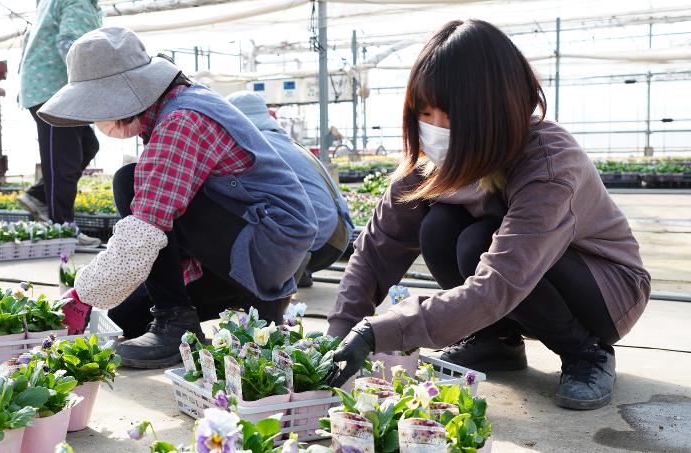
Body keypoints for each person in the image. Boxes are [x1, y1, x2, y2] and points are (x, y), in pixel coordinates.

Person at [326, 19, 650, 411]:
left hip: (604, 289)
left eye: (448, 114)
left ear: (492, 110)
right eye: (425, 113)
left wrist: (382, 331)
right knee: (439, 228)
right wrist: (340, 335)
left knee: (478, 243)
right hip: (517, 281)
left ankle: (585, 352)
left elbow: (501, 280)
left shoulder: (548, 162)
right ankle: (495, 341)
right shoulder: (432, 163)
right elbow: (378, 248)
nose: (435, 129)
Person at [37, 27, 317, 368]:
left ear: (122, 94)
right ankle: (224, 309)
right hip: (250, 239)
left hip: (266, 243)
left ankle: (177, 320)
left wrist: (81, 295)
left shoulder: (182, 119)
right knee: (126, 317)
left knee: (130, 181)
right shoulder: (167, 110)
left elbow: (145, 229)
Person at [226, 91, 354, 288]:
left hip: (319, 241)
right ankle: (299, 268)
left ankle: (288, 269)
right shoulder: (284, 141)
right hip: (339, 236)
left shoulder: (256, 145)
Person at [17, 0, 103, 247]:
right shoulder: (77, 1)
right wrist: (96, 81)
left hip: (50, 89)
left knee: (88, 146)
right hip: (53, 91)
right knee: (63, 160)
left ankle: (38, 196)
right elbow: (71, 45)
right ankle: (62, 230)